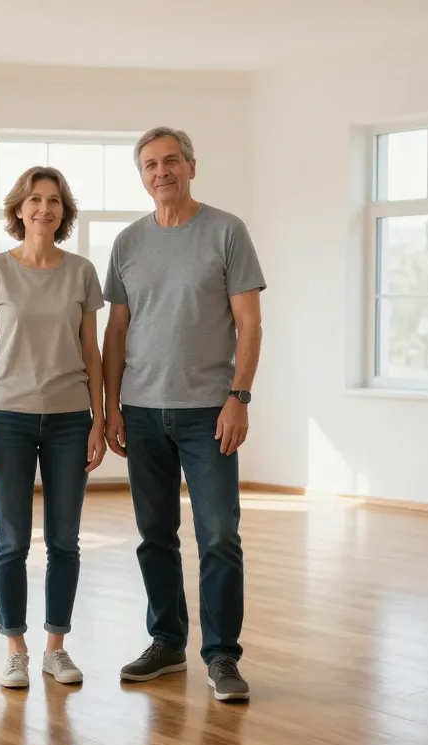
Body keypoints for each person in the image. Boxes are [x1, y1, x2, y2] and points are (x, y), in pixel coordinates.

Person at [102, 127, 266, 702]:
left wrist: (238, 397)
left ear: (191, 166)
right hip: (142, 412)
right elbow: (116, 331)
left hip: (208, 413)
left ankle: (222, 655)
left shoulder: (226, 231)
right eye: (150, 164)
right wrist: (110, 407)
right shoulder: (127, 242)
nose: (161, 171)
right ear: (142, 176)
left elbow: (249, 323)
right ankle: (167, 643)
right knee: (154, 535)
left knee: (219, 534)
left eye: (171, 160)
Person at [0, 165, 107, 689]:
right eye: (34, 200)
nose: (44, 209)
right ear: (18, 210)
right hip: (7, 418)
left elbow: (92, 353)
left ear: (63, 211)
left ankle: (56, 648)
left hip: (71, 420)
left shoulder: (82, 273)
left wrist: (97, 420)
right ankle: (15, 649)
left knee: (65, 540)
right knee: (11, 541)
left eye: (53, 201)